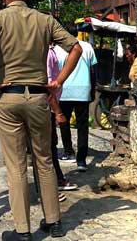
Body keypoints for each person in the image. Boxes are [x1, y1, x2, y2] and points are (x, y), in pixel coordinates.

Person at [0, 0, 82, 241]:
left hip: (7, 98)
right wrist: (57, 82)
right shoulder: (45, 20)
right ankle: (54, 222)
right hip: (37, 98)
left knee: (16, 165)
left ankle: (22, 231)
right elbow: (76, 48)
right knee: (44, 161)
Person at [54, 27, 97, 172]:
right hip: (83, 90)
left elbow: (55, 72)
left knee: (63, 122)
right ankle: (81, 160)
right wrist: (92, 89)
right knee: (82, 125)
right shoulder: (87, 47)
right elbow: (92, 71)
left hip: (64, 90)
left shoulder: (58, 49)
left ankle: (68, 151)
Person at [47, 43, 78, 196]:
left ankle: (55, 181)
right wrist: (58, 111)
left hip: (48, 105)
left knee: (48, 146)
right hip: (46, 106)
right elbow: (46, 86)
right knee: (48, 147)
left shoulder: (49, 51)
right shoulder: (45, 53)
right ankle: (51, 187)